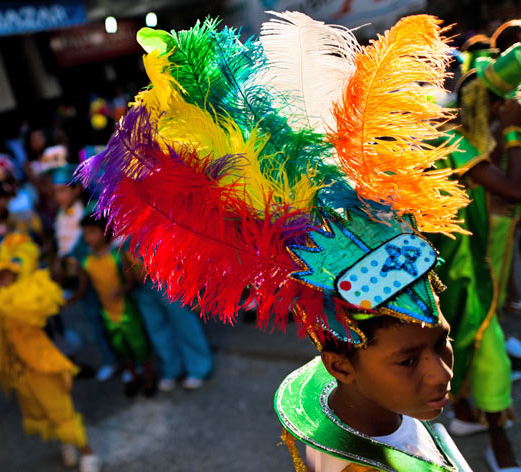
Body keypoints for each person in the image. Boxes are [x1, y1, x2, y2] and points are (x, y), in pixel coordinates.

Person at [78, 12, 472, 470]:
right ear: (340, 367)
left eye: (442, 342)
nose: (440, 373)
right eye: (407, 361)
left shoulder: (366, 407)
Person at [430, 43, 521, 470]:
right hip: (462, 266)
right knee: (485, 350)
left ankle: (465, 415)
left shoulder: (459, 137)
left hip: (462, 261)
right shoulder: (452, 143)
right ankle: (501, 447)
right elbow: (515, 190)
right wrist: (516, 132)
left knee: (470, 340)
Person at [0, 233, 100, 472]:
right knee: (41, 410)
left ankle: (88, 452)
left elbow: (34, 311)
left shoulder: (26, 297)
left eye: (4, 276)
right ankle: (67, 443)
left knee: (60, 410)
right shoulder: (1, 302)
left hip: (43, 363)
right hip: (22, 370)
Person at [51, 166, 117, 381]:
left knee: (110, 315)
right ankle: (110, 358)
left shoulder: (90, 211)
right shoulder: (61, 215)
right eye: (55, 191)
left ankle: (122, 357)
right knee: (94, 319)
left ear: (78, 189)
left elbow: (83, 245)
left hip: (94, 271)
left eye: (62, 190)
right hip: (78, 275)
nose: (58, 196)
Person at [78, 215, 155, 397]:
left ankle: (149, 380)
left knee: (139, 346)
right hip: (107, 313)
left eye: (92, 232)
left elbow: (130, 282)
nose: (88, 238)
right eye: (85, 234)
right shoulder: (86, 262)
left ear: (105, 233)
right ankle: (133, 377)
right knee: (121, 348)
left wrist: (121, 290)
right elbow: (83, 287)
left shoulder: (117, 256)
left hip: (126, 311)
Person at [127, 257, 213, 391]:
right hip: (141, 285)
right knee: (156, 328)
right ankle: (172, 368)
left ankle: (198, 367)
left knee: (184, 322)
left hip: (166, 272)